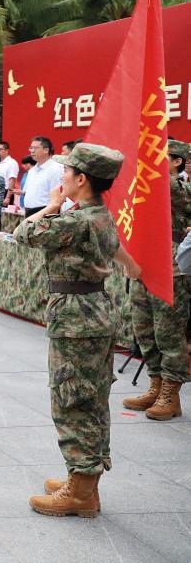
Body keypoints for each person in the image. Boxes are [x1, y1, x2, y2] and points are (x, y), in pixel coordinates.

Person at [15, 142, 135, 517]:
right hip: (95, 310)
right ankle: (84, 481)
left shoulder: (74, 221)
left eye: (66, 174)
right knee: (92, 398)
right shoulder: (99, 214)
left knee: (72, 400)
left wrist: (51, 206)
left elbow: (23, 233)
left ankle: (80, 491)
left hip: (75, 318)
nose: (61, 178)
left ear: (81, 179)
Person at [122, 139, 191, 421]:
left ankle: (171, 394)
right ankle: (156, 383)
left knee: (169, 332)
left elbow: (172, 190)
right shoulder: (145, 186)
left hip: (172, 263)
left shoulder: (181, 187)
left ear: (178, 161)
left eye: (163, 157)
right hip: (144, 259)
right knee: (144, 327)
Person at [20, 136, 63, 214]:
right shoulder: (32, 170)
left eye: (35, 148)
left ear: (46, 150)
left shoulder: (56, 169)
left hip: (45, 212)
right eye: (31, 148)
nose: (32, 151)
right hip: (28, 211)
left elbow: (56, 198)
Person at [0, 141, 21, 207]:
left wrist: (8, 197)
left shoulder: (12, 163)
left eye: (0, 149)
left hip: (5, 192)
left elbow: (12, 180)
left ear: (6, 150)